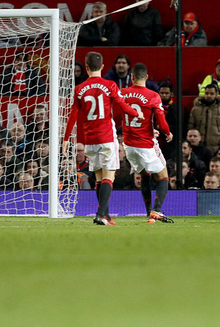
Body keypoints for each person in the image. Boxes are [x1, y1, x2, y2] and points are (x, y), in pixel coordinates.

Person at [63, 51, 144, 226]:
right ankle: (100, 214)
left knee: (99, 178)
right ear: (102, 67)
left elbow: (73, 114)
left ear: (85, 67)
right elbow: (123, 105)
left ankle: (105, 215)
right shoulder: (110, 85)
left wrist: (65, 138)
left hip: (90, 141)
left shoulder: (79, 89)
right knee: (109, 176)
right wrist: (136, 113)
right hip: (106, 137)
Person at [120, 63, 174, 223]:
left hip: (129, 144)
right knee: (163, 177)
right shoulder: (152, 96)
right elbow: (161, 120)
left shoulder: (123, 93)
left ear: (132, 77)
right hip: (145, 144)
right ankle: (156, 210)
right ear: (147, 77)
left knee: (144, 175)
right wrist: (167, 132)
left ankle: (148, 211)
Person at [188, 83, 220, 153]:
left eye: (212, 93)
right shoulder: (195, 110)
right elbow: (190, 128)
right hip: (198, 148)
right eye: (207, 93)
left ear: (216, 94)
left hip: (218, 149)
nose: (209, 96)